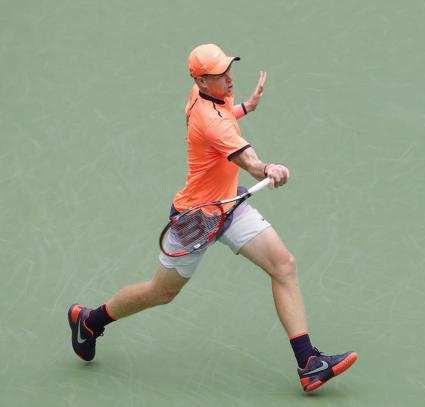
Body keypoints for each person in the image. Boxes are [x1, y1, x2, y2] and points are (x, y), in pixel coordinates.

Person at [68, 43, 357, 392]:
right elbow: (247, 161)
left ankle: (308, 363)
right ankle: (89, 320)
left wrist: (244, 108)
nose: (230, 79)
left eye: (229, 70)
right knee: (161, 292)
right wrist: (268, 168)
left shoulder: (200, 95)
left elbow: (221, 116)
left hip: (230, 208)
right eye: (221, 76)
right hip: (195, 220)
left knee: (283, 266)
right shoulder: (214, 124)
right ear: (203, 81)